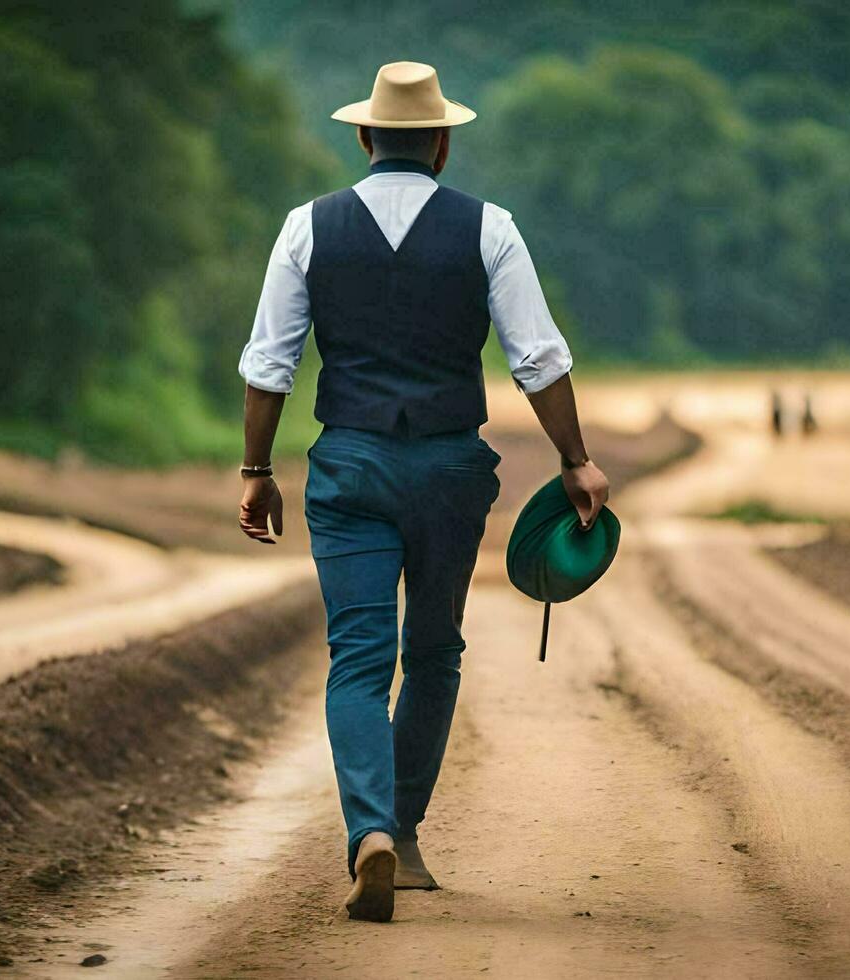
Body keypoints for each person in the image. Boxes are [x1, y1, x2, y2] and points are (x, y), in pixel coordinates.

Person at [236, 62, 608, 922]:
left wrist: (256, 472)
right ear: (442, 142)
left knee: (358, 660)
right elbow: (538, 359)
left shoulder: (308, 227)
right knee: (434, 652)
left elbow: (270, 365)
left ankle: (367, 828)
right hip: (447, 471)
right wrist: (576, 459)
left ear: (365, 137)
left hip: (351, 468)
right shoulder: (490, 229)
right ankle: (399, 837)